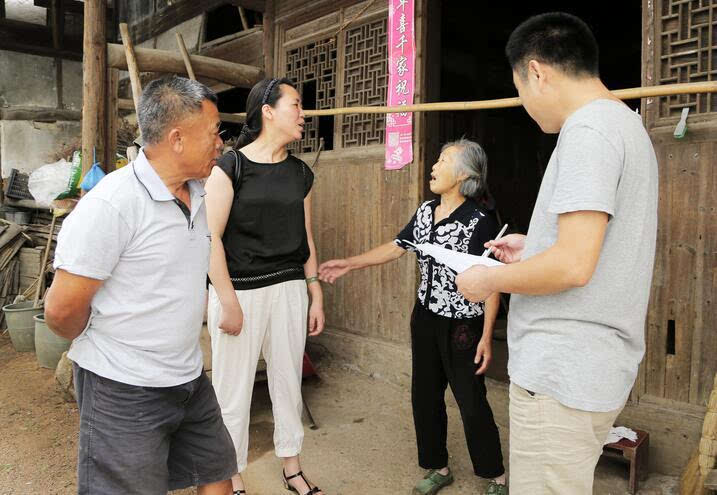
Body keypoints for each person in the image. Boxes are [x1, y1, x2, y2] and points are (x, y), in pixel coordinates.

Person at [455, 13, 659, 494]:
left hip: (561, 373)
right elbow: (590, 247)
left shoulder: (588, 131)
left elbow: (573, 265)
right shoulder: (625, 125)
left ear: (538, 71)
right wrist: (535, 245)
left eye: (520, 89)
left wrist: (490, 281)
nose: (524, 103)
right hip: (593, 370)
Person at [43, 76, 236, 495]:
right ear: (177, 138)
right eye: (213, 132)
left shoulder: (200, 193)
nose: (220, 142)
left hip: (186, 375)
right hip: (122, 384)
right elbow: (60, 312)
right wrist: (109, 340)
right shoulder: (111, 205)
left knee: (218, 473)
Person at [319, 139, 507, 495]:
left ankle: (494, 475)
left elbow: (493, 280)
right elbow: (396, 247)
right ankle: (438, 466)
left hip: (462, 324)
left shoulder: (479, 220)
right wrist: (350, 263)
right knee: (425, 395)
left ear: (465, 174)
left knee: (470, 399)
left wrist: (486, 336)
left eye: (443, 160)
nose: (434, 166)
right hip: (424, 318)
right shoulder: (425, 211)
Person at [204, 77, 325, 495]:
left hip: (289, 289)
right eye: (296, 104)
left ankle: (292, 468)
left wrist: (315, 292)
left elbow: (306, 236)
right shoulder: (230, 167)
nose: (303, 114)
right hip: (238, 291)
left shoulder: (300, 173)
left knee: (288, 383)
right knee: (232, 392)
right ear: (268, 111)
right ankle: (231, 475)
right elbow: (210, 238)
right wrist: (227, 300)